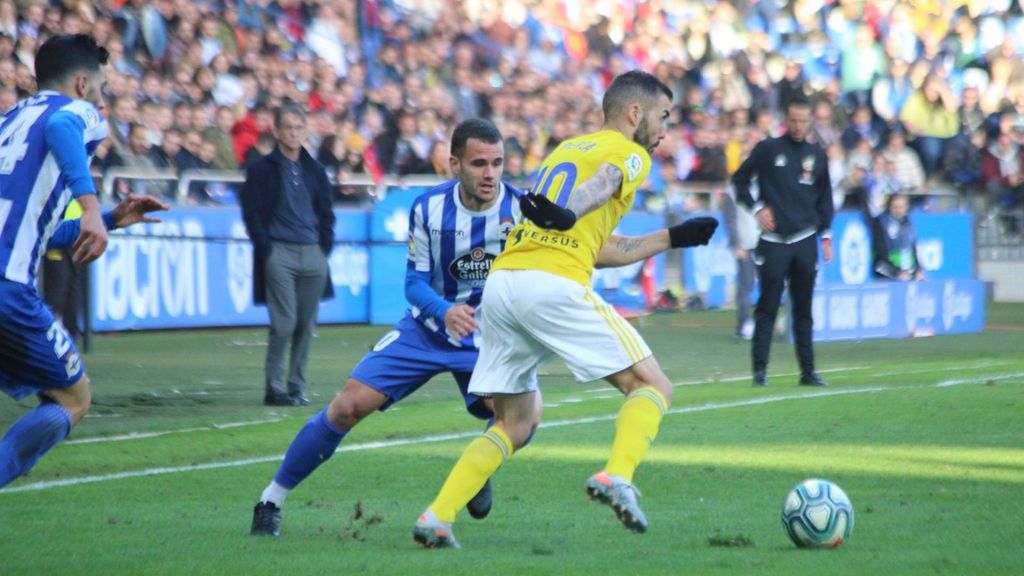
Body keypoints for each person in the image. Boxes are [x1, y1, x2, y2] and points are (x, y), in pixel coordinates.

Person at [412, 70, 718, 548]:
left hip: (504, 285)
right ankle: (618, 476)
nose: (664, 131)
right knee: (652, 385)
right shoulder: (630, 154)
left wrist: (672, 238)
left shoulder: (568, 149)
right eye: (662, 118)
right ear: (634, 113)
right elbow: (605, 183)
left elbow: (594, 246)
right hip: (550, 284)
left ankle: (437, 516)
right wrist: (573, 211)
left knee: (512, 423)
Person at [250, 118, 529, 536]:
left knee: (515, 416)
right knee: (346, 406)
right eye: (478, 164)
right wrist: (444, 310)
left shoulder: (522, 211)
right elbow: (414, 284)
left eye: (497, 163)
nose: (490, 174)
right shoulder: (428, 208)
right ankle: (271, 500)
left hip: (489, 338)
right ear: (454, 164)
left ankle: (477, 465)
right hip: (427, 329)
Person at [0, 33, 169, 489]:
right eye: (101, 86)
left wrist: (111, 218)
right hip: (7, 287)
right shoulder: (74, 113)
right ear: (80, 83)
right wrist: (90, 205)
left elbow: (34, 230)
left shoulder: (11, 119)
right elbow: (63, 129)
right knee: (73, 398)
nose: (102, 95)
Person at [732, 96, 834, 388]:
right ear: (785, 120)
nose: (798, 126)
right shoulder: (768, 149)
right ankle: (760, 372)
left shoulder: (818, 154)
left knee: (803, 309)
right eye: (793, 120)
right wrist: (757, 209)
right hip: (774, 241)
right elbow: (739, 180)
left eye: (804, 120)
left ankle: (808, 372)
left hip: (805, 239)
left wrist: (825, 233)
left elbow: (825, 198)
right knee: (767, 307)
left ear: (811, 121)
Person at [240, 103, 335, 407]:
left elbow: (326, 213)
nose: (293, 133)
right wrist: (265, 248)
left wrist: (323, 247)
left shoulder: (316, 171)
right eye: (288, 127)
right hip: (278, 251)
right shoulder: (259, 169)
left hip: (312, 253)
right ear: (277, 131)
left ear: (305, 130)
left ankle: (297, 387)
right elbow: (251, 213)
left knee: (306, 325)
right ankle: (274, 386)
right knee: (284, 323)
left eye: (298, 127)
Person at [721, 186, 760, 340]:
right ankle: (745, 324)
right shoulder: (732, 190)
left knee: (771, 285)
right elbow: (730, 219)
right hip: (745, 245)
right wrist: (736, 244)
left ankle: (764, 322)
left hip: (765, 243)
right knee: (746, 285)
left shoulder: (765, 183)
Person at [872, 192, 925, 281]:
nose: (898, 210)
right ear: (889, 207)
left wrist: (917, 270)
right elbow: (881, 257)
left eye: (901, 207)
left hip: (907, 271)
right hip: (888, 270)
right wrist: (896, 272)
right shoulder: (882, 223)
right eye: (895, 207)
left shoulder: (908, 223)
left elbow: (913, 249)